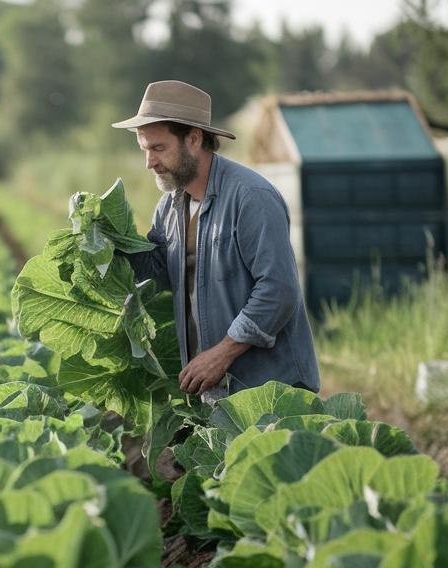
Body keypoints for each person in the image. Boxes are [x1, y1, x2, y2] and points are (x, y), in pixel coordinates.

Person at [114, 80, 320, 398]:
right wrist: (107, 240)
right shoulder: (169, 206)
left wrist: (221, 353)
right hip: (218, 392)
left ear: (194, 139)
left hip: (273, 391)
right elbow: (158, 274)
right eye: (144, 149)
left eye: (158, 148)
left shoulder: (251, 198)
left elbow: (278, 291)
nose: (149, 162)